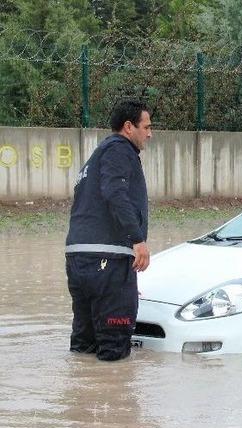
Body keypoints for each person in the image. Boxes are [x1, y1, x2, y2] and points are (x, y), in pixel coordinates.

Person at [65, 99, 153, 361]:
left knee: (85, 343)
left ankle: (83, 398)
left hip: (80, 262)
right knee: (115, 347)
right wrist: (137, 240)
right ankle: (113, 399)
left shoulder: (96, 157)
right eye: (146, 127)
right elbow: (115, 192)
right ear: (129, 127)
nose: (150, 134)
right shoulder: (119, 150)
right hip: (107, 260)